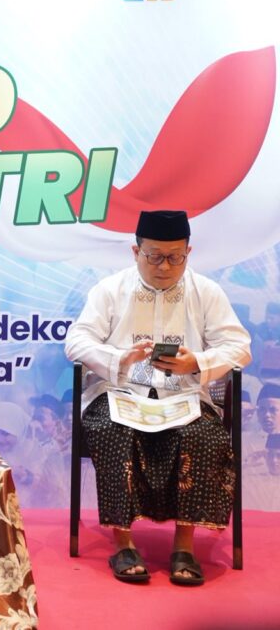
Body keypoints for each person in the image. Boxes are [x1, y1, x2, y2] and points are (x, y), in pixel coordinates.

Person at [65, 209, 251, 586]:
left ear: (188, 252)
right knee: (111, 431)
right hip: (119, 392)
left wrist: (196, 362)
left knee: (204, 436)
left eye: (175, 257)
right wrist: (120, 358)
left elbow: (239, 346)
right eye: (154, 256)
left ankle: (184, 546)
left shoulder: (206, 292)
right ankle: (123, 544)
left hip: (184, 395)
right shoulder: (110, 290)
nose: (165, 266)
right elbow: (77, 341)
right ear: (136, 252)